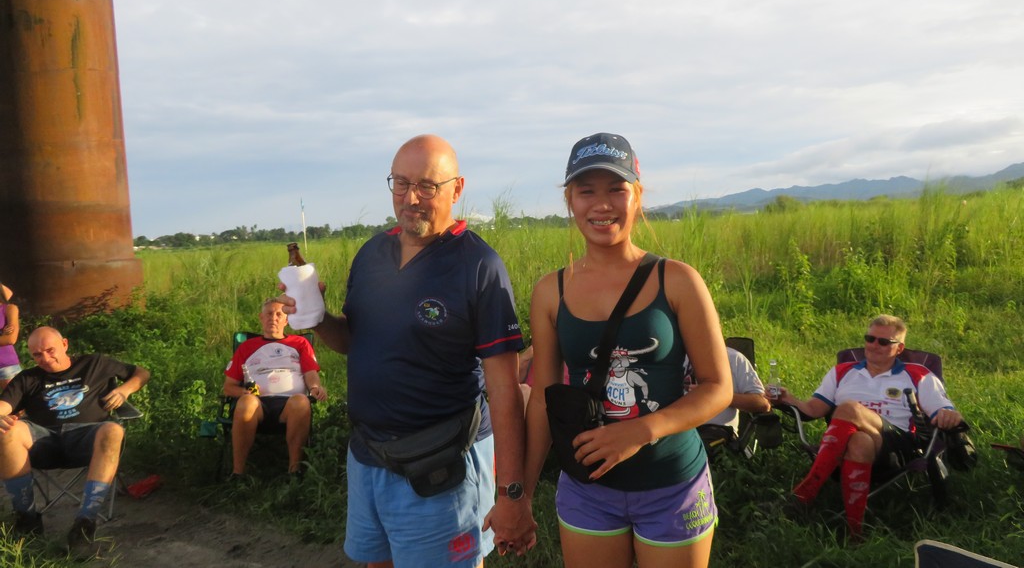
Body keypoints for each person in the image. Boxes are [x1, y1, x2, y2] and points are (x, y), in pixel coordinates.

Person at [282, 134, 535, 567]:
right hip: (368, 459)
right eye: (400, 183)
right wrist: (318, 317)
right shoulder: (372, 254)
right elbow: (353, 342)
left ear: (456, 189)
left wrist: (512, 494)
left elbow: (505, 390)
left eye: (427, 186)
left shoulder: (478, 266)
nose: (410, 198)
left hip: (442, 468)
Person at [523, 133, 733, 568]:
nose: (602, 205)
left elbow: (717, 387)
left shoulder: (678, 280)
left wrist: (641, 431)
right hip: (588, 488)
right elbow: (543, 399)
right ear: (570, 201)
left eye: (616, 189)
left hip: (672, 483)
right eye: (586, 191)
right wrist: (520, 494)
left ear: (637, 196)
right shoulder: (550, 291)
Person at [775, 314, 964, 536]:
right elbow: (813, 409)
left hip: (898, 445)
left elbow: (942, 410)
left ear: (899, 348)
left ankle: (805, 493)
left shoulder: (918, 374)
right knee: (859, 442)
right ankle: (855, 531)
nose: (874, 345)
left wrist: (949, 415)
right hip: (851, 442)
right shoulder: (842, 372)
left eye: (883, 342)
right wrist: (788, 399)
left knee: (848, 408)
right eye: (870, 338)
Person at [0, 326, 150, 556]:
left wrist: (125, 390)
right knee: (7, 431)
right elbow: (4, 406)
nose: (45, 359)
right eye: (37, 355)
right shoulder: (28, 378)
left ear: (65, 344)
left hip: (87, 438)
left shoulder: (94, 364)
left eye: (50, 350)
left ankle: (84, 526)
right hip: (43, 441)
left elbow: (141, 372)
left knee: (113, 430)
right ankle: (26, 521)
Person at [222, 298, 326, 478]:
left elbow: (310, 373)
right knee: (246, 403)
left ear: (287, 320)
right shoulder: (247, 347)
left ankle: (295, 472)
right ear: (261, 318)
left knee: (301, 402)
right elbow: (228, 387)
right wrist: (243, 392)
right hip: (257, 404)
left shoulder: (300, 344)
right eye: (269, 314)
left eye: (279, 314)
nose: (273, 318)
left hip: (289, 404)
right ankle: (237, 474)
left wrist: (315, 387)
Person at [686, 347, 772, 450]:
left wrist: (718, 396)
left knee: (689, 450)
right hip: (677, 426)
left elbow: (762, 403)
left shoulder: (733, 358)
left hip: (715, 430)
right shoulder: (673, 357)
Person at [0, 283, 21, 388]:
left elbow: (10, 339)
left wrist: (5, 337)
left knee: (18, 398)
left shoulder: (9, 308)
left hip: (6, 366)